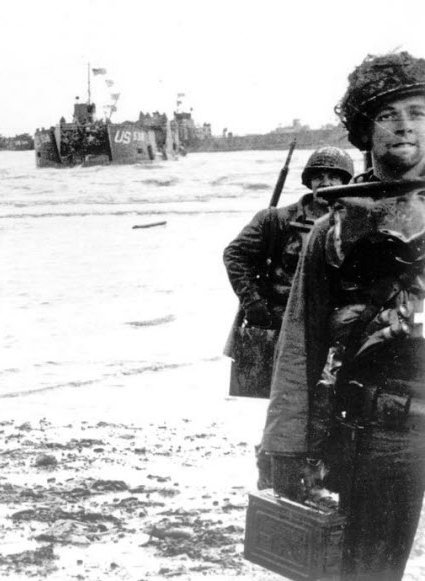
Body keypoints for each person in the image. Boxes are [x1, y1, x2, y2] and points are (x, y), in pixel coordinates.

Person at [262, 51, 425, 581]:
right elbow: (299, 343)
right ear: (363, 132)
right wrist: (286, 445)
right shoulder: (333, 229)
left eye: (418, 112)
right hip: (382, 432)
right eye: (387, 115)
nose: (404, 126)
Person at [223, 147, 353, 487]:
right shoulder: (277, 220)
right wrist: (253, 303)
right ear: (308, 181)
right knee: (285, 406)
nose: (326, 182)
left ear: (347, 181)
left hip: (331, 328)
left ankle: (313, 474)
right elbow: (235, 255)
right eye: (319, 176)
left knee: (326, 402)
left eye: (334, 176)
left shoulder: (352, 222)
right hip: (284, 325)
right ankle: (273, 473)